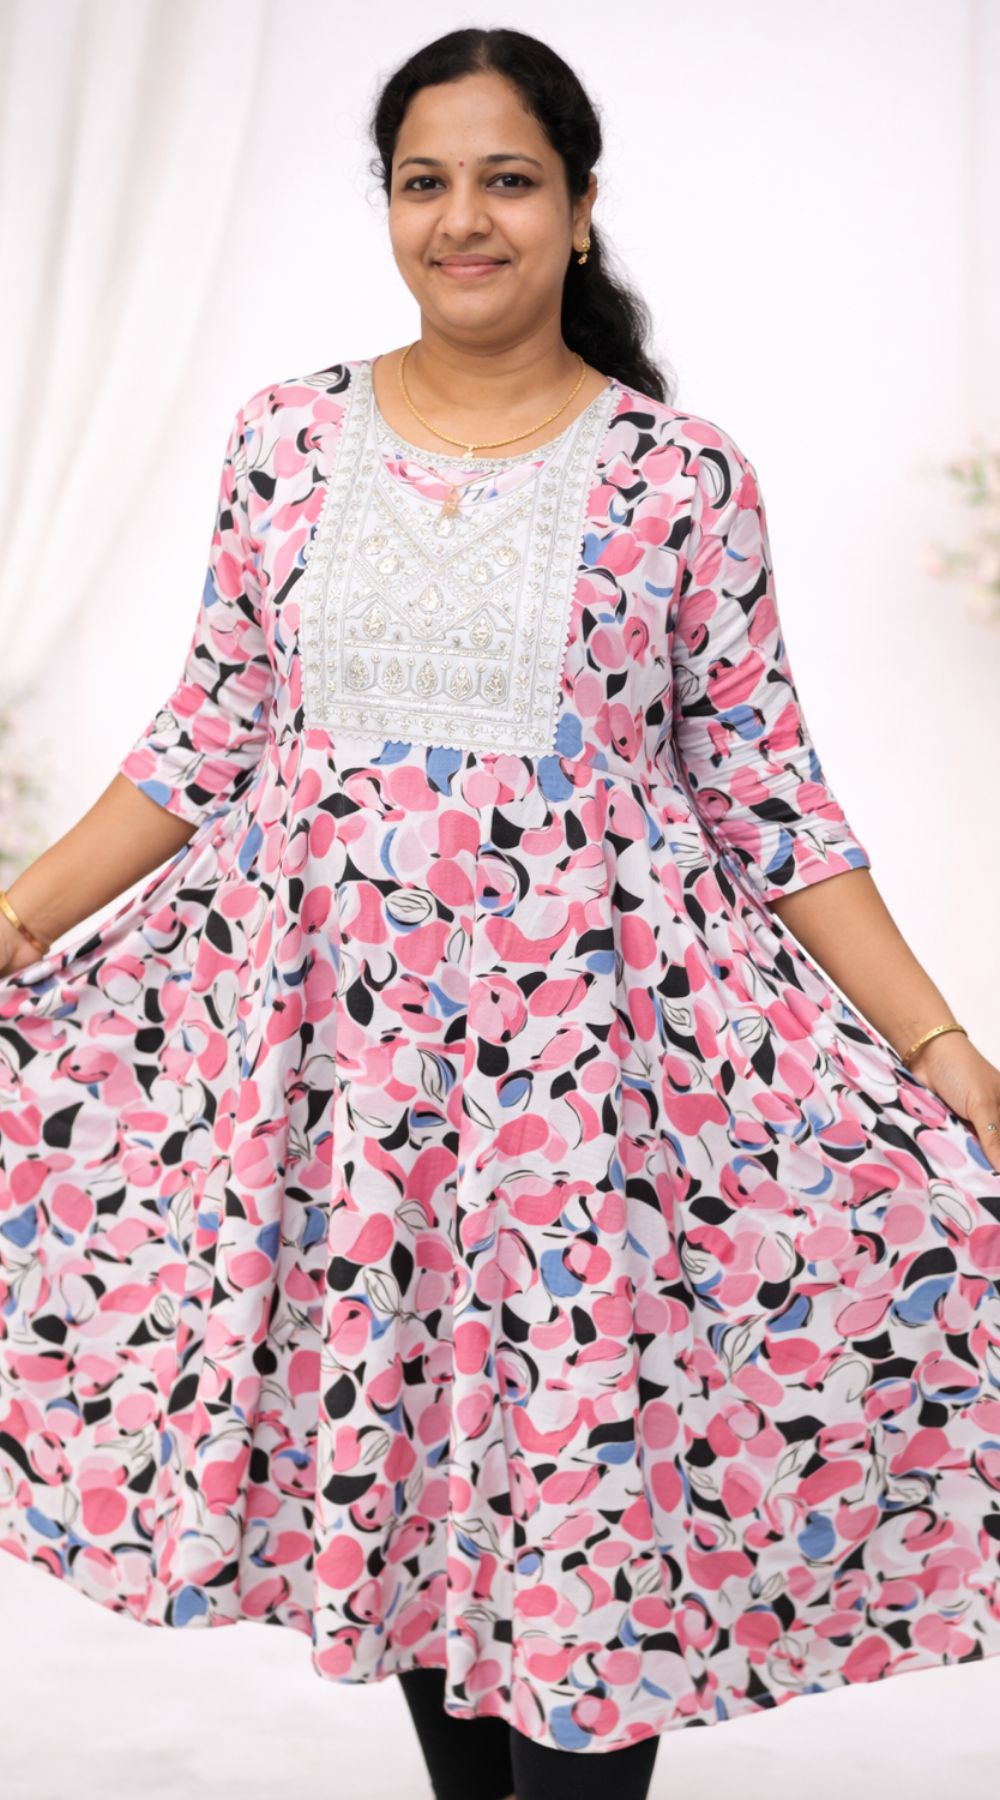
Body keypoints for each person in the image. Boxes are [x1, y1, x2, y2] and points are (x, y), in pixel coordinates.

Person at [1, 24, 999, 1800]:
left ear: (581, 207)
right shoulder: (285, 439)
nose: (463, 218)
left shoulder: (680, 477)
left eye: (509, 180)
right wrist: (16, 925)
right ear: (388, 206)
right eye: (426, 182)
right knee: (421, 1508)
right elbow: (211, 730)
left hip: (589, 1101)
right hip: (351, 1091)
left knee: (579, 1525)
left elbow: (770, 795)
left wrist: (939, 1048)